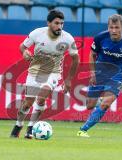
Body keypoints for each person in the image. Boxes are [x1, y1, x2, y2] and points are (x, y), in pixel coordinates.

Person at [10, 10, 79, 139]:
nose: (59, 26)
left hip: (53, 73)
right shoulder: (37, 33)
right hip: (34, 72)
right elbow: (22, 46)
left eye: (62, 23)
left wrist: (69, 79)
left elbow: (76, 58)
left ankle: (31, 129)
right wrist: (24, 52)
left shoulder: (68, 38)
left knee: (41, 98)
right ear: (49, 23)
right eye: (56, 23)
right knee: (27, 103)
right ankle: (18, 125)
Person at [77, 14, 122, 137]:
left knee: (106, 103)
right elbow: (92, 54)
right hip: (100, 71)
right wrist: (92, 73)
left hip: (118, 75)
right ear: (108, 27)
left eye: (117, 27)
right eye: (111, 27)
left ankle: (83, 130)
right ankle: (101, 103)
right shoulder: (100, 38)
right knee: (89, 105)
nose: (114, 30)